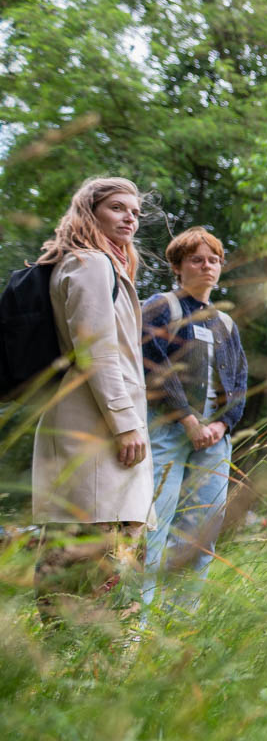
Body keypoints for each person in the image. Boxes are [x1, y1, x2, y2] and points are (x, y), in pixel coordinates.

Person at [30, 177, 152, 626]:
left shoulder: (87, 264)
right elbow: (95, 350)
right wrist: (125, 422)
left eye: (135, 213)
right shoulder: (91, 263)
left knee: (78, 544)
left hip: (85, 426)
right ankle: (89, 658)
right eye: (119, 208)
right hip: (95, 431)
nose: (130, 219)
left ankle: (73, 657)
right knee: (100, 546)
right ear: (90, 210)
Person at [140, 227, 248, 618]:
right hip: (166, 431)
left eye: (214, 259)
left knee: (200, 532)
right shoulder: (160, 306)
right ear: (177, 266)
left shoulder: (226, 324)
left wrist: (222, 426)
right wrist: (188, 419)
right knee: (154, 525)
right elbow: (153, 363)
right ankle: (137, 623)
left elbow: (239, 382)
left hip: (215, 441)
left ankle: (181, 621)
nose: (207, 266)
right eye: (197, 259)